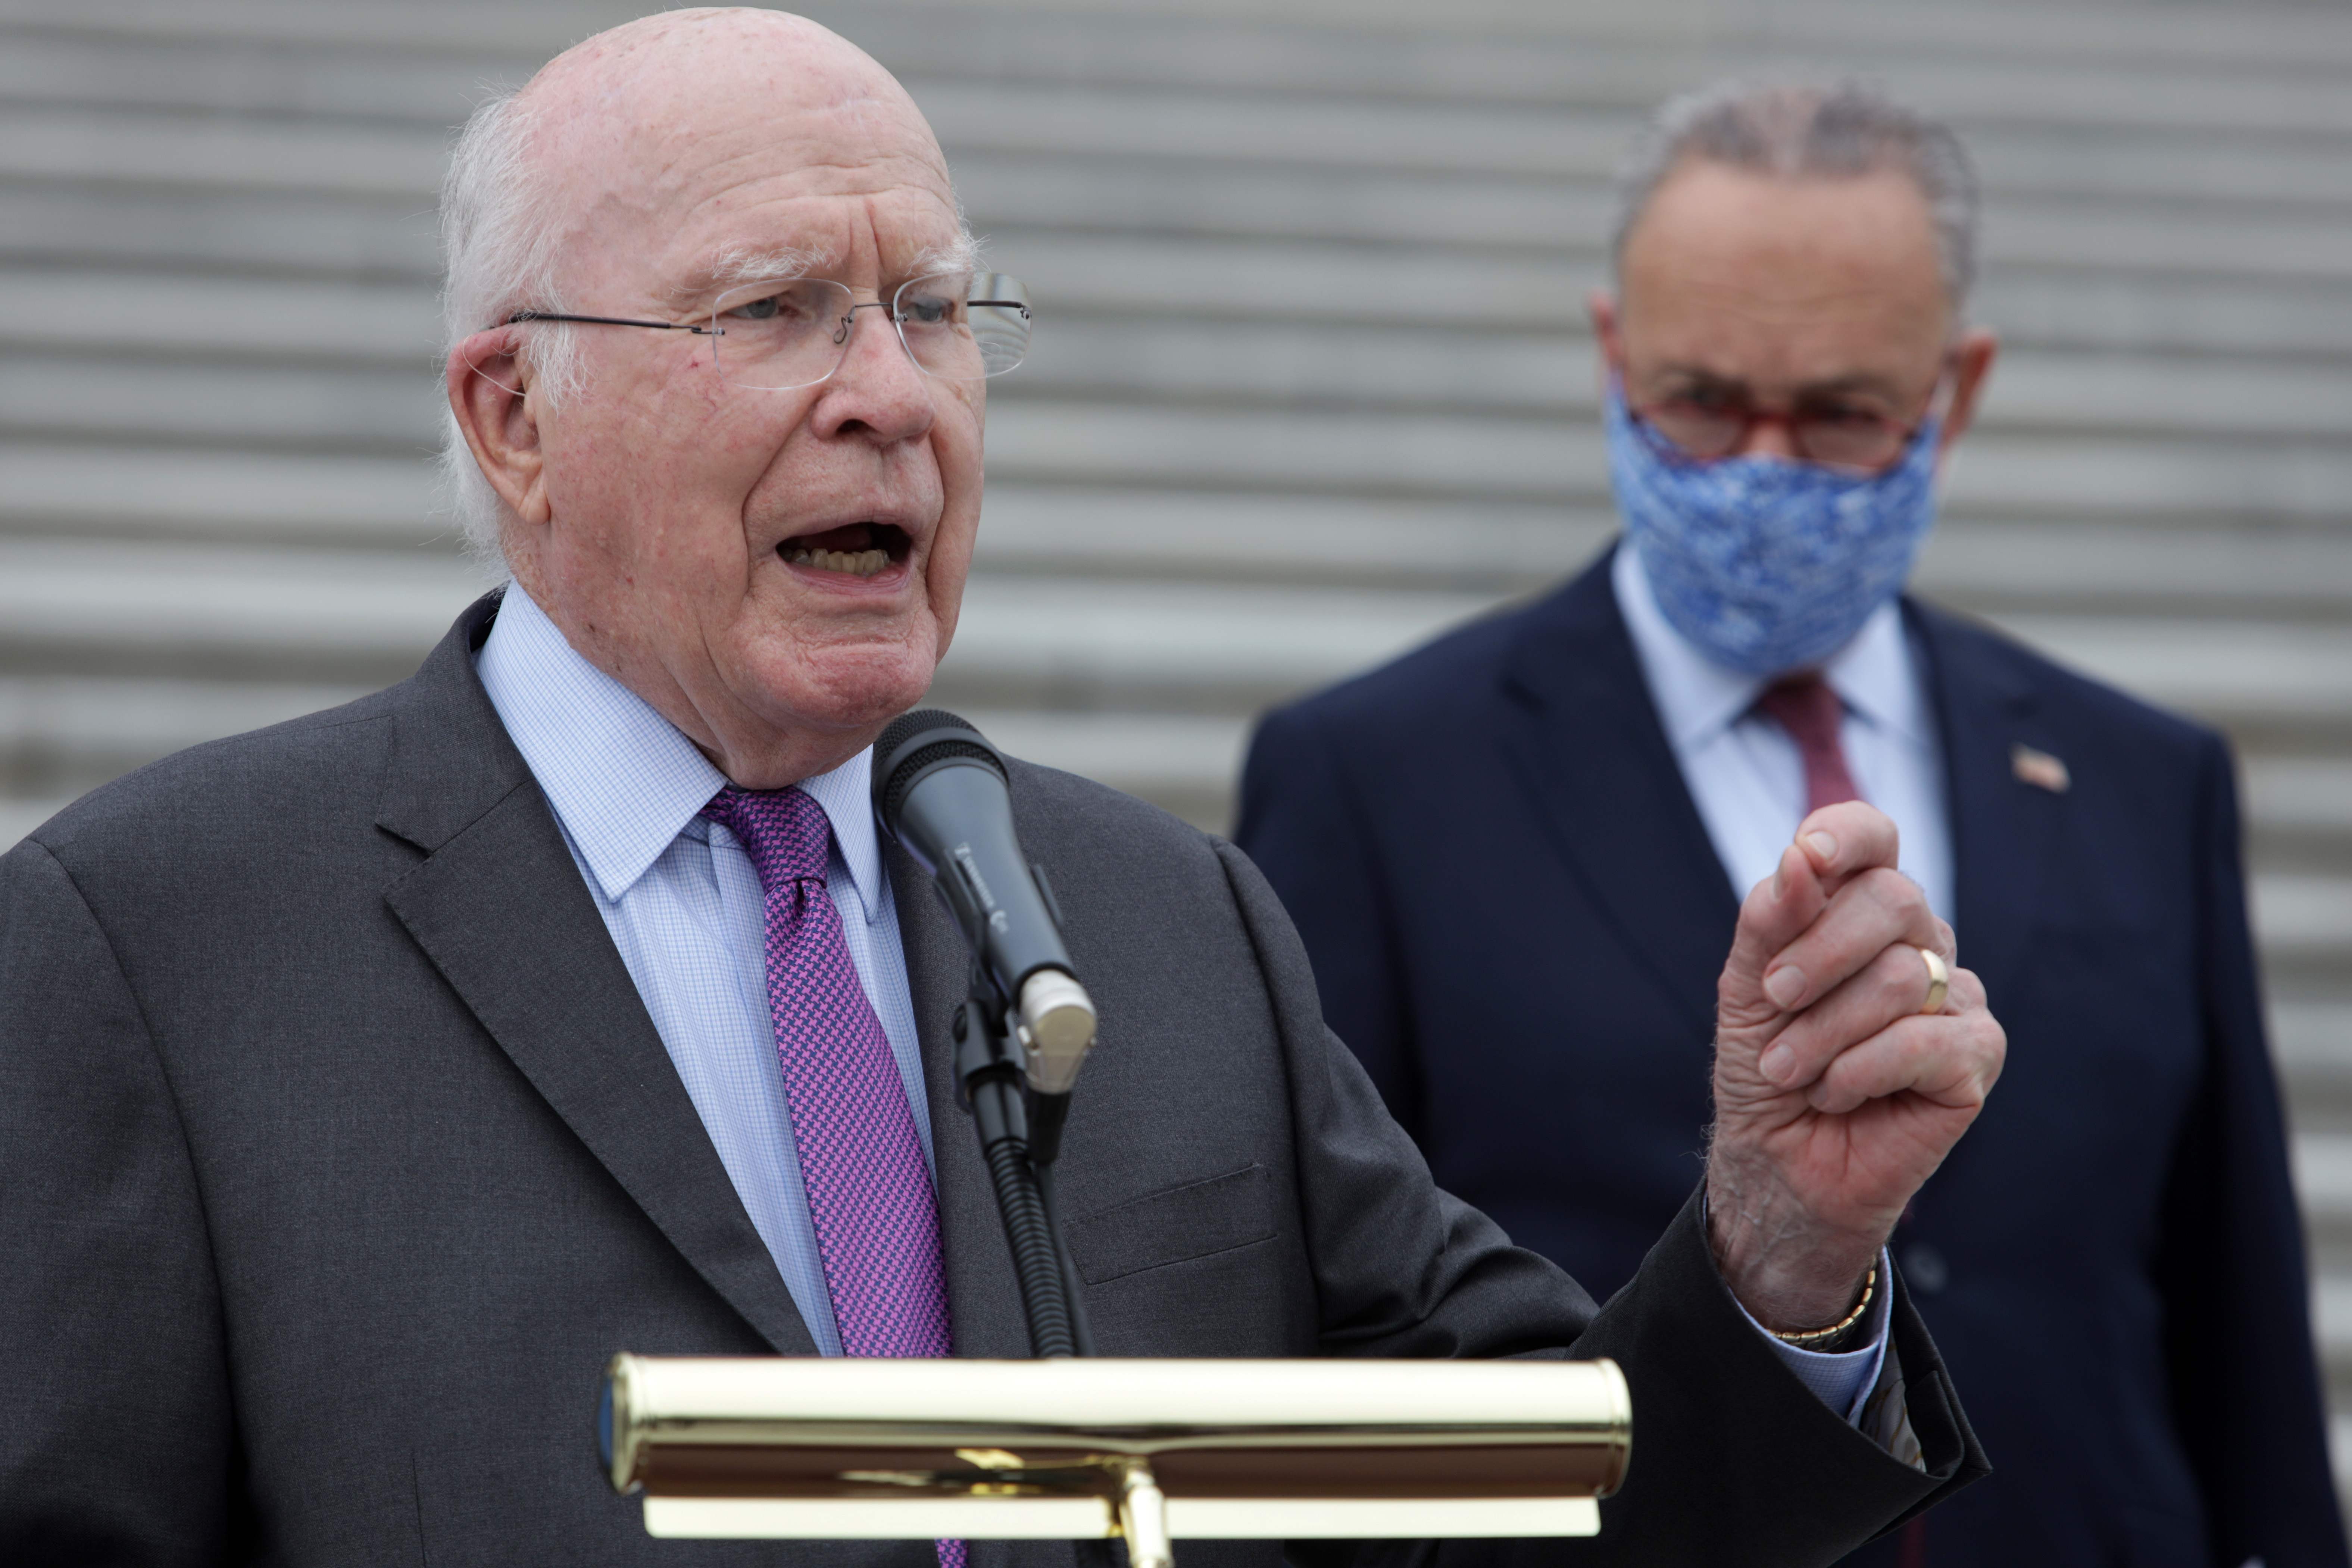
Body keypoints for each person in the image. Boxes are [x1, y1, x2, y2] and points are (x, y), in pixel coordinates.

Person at [0, 25, 2004, 1564]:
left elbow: (1527, 1492)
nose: (887, 390)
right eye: (774, 307)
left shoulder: (1163, 920)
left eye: (934, 311)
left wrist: (1775, 1253)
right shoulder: (161, 944)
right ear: (517, 415)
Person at [1236, 81, 2343, 1568]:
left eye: (1836, 414)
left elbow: (2239, 1328)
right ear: (1612, 356)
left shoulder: (2140, 776)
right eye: (1698, 400)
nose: (1760, 466)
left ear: (1953, 394)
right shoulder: (1371, 775)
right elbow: (1329, 1346)